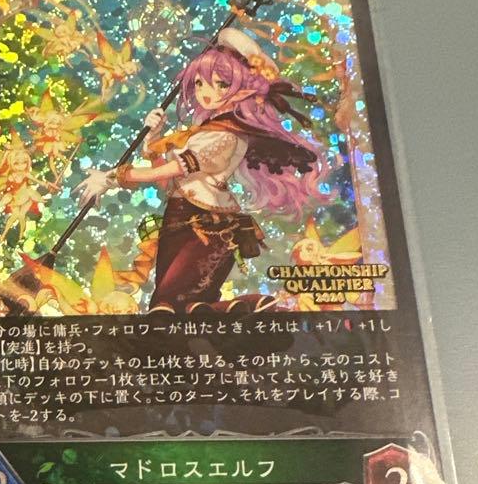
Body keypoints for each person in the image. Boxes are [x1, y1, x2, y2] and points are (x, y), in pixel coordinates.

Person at [75, 27, 326, 313]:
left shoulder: (226, 135)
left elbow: (171, 170)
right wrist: (153, 139)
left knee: (168, 305)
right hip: (180, 217)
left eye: (221, 84)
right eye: (199, 83)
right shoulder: (205, 130)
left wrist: (112, 178)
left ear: (243, 88)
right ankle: (244, 310)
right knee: (177, 306)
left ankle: (254, 307)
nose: (207, 93)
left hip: (208, 226)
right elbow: (171, 180)